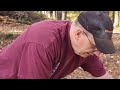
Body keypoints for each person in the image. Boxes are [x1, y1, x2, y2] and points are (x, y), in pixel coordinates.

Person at [0, 11, 116, 79]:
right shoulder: (43, 41)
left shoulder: (85, 50)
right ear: (78, 34)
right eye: (96, 46)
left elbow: (103, 76)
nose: (97, 53)